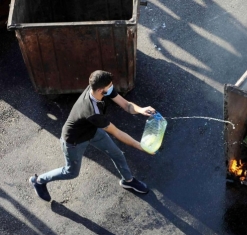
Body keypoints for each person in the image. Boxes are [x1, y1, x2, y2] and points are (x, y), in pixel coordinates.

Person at [29, 70, 155, 202]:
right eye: (109, 86)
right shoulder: (92, 112)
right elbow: (117, 132)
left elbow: (126, 105)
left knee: (117, 154)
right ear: (101, 90)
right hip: (74, 141)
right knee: (71, 172)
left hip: (92, 130)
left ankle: (128, 181)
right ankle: (38, 181)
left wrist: (141, 110)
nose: (112, 87)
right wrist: (140, 146)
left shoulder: (96, 87)